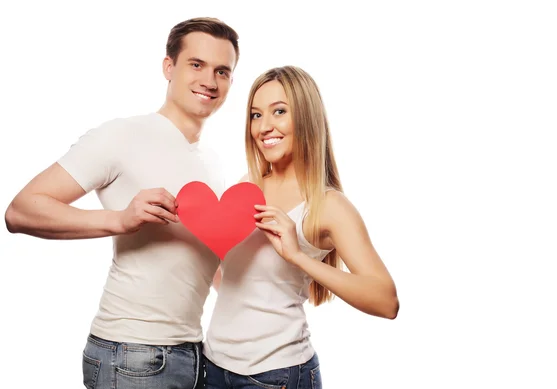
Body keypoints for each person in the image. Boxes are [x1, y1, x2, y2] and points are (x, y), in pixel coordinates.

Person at [4, 17, 239, 389]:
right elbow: (20, 211)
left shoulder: (212, 161)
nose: (209, 81)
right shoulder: (121, 135)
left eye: (222, 71)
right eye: (197, 65)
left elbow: (203, 260)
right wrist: (120, 219)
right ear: (169, 67)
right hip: (133, 355)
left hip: (194, 353)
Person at [202, 65, 400, 388]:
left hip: (276, 376)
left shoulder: (327, 205)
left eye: (279, 112)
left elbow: (386, 300)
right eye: (255, 115)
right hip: (214, 367)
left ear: (306, 118)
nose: (264, 127)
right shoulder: (247, 185)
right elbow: (235, 285)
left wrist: (298, 256)